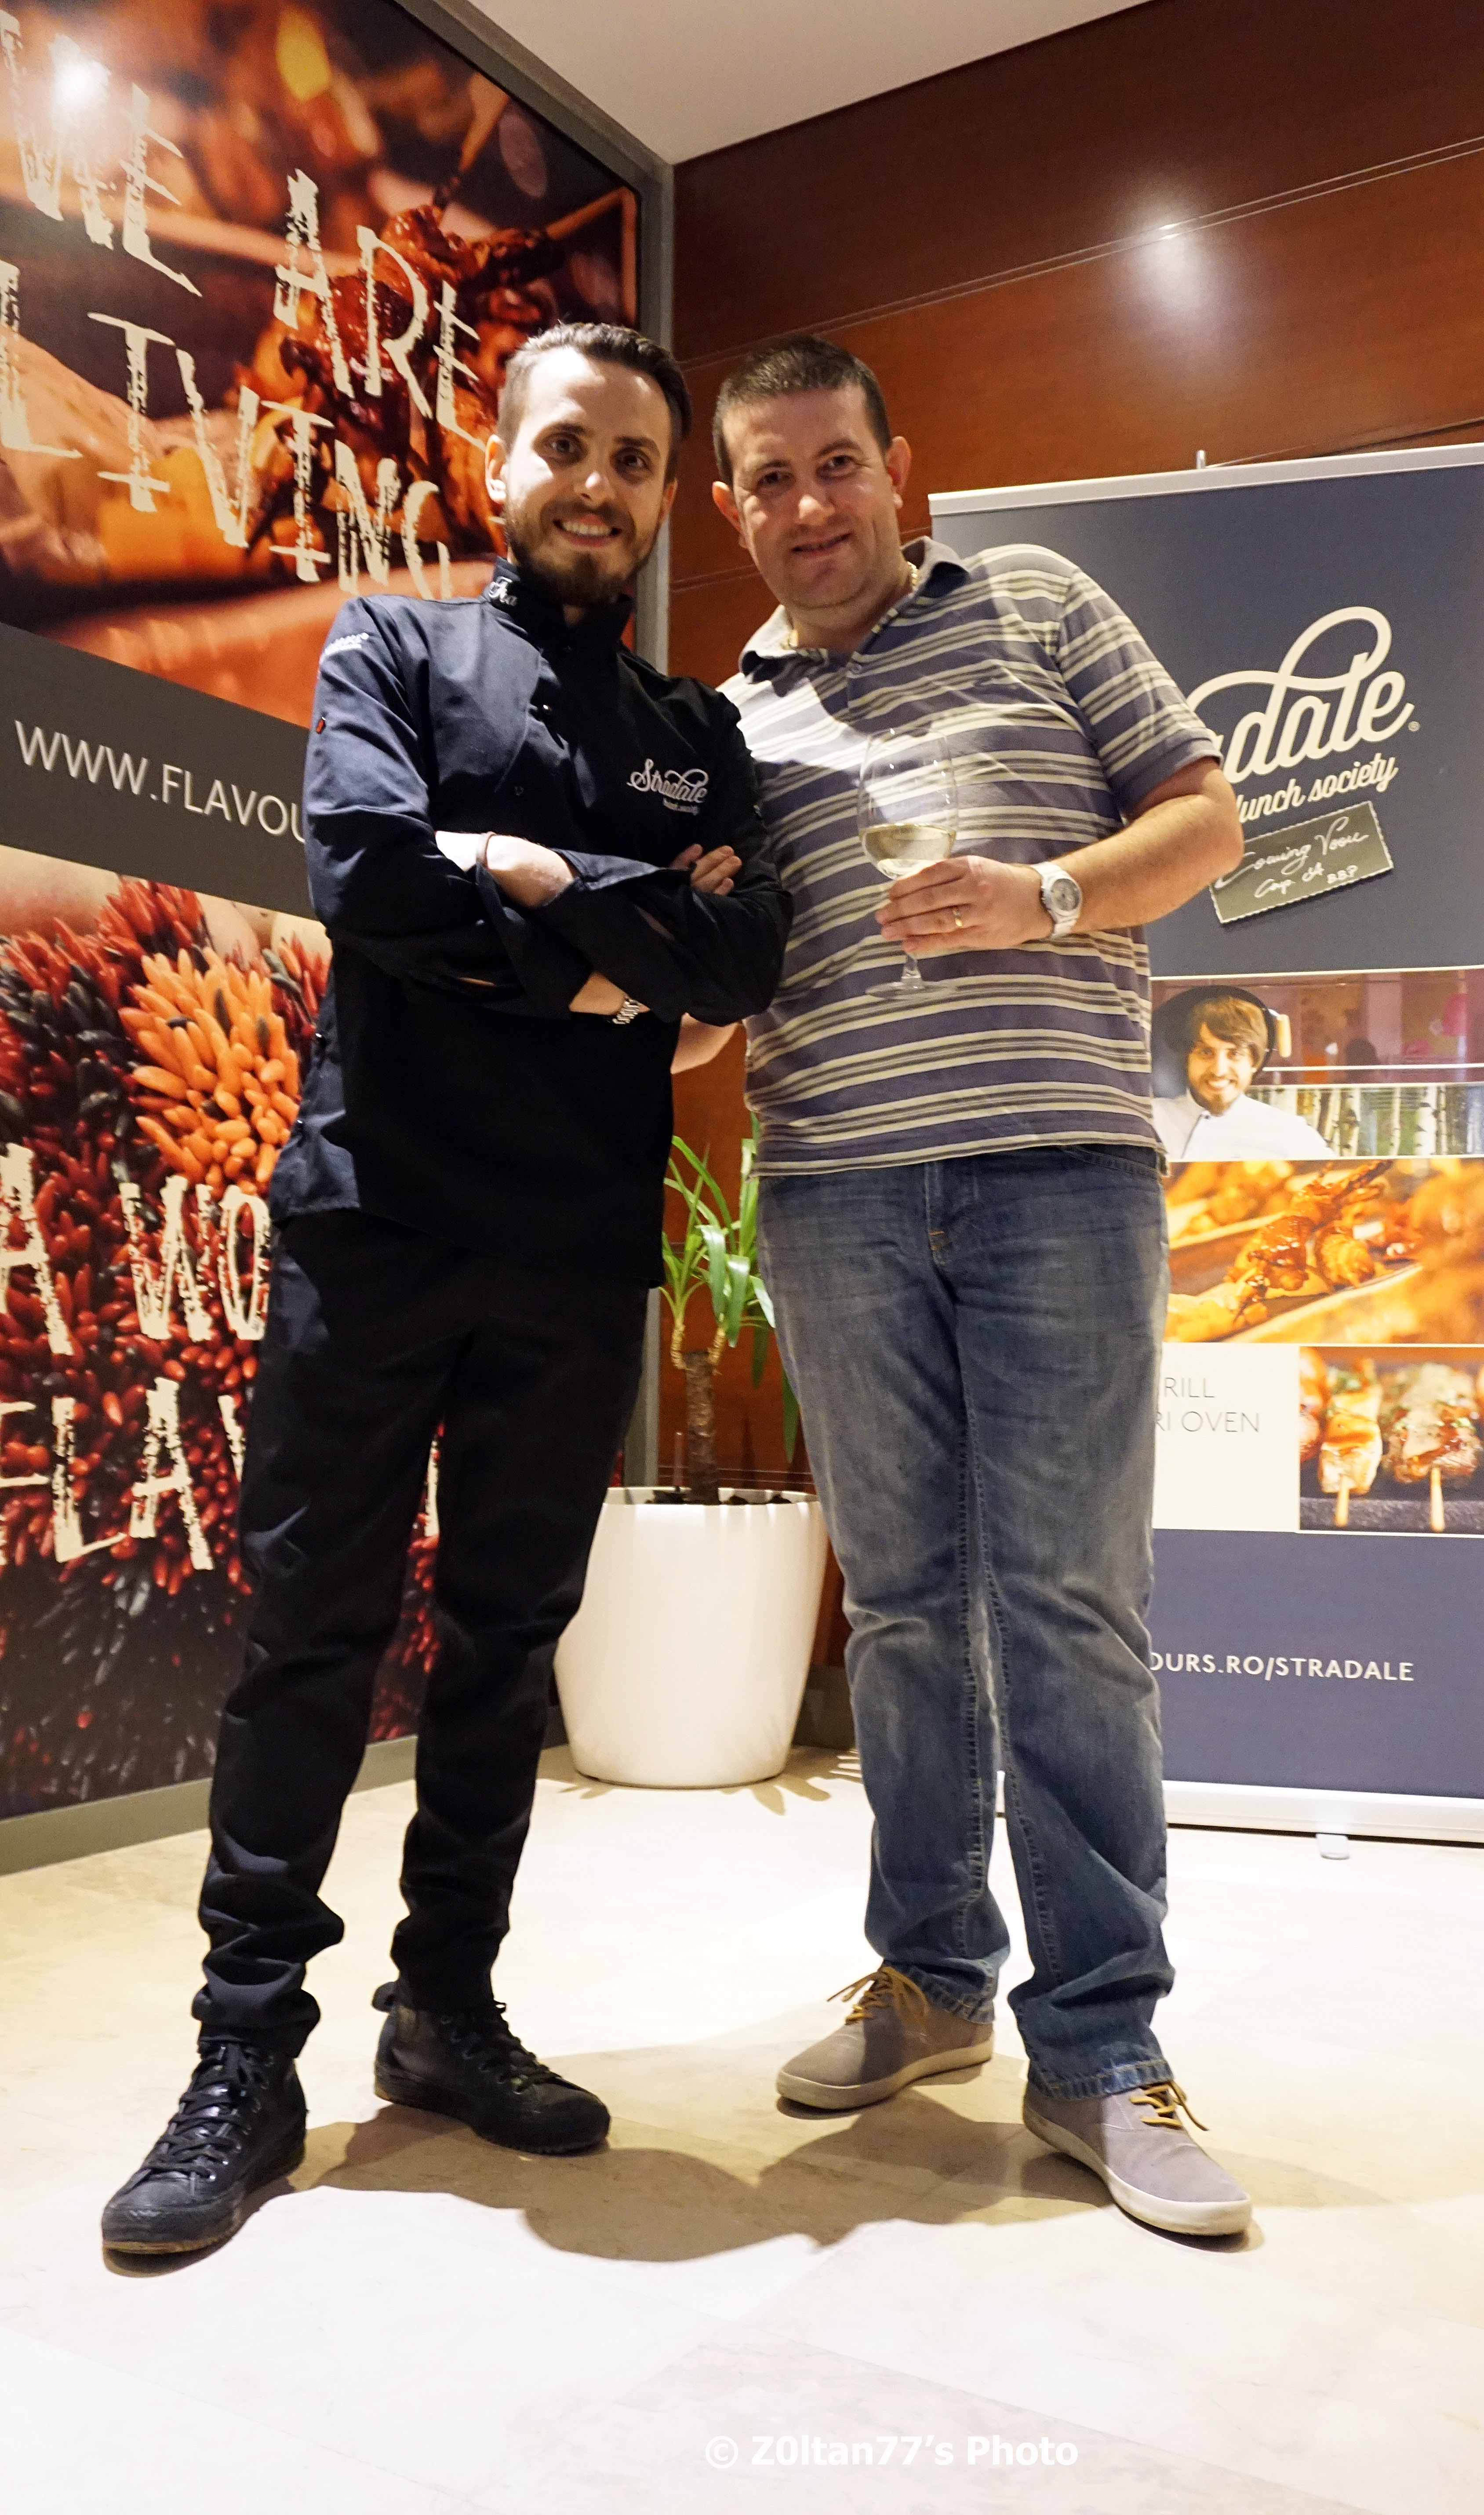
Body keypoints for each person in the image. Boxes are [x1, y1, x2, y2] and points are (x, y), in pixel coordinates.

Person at [101, 323, 789, 2256]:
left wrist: (528, 882)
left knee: (504, 1646)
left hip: (573, 1246)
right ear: (499, 466)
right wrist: (618, 946)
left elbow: (739, 962)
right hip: (376, 1219)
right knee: (309, 1636)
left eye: (633, 459)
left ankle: (446, 2007)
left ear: (663, 497)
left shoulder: (696, 730)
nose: (596, 484)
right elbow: (368, 879)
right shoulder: (390, 651)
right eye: (564, 444)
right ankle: (244, 2056)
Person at [711, 334, 1253, 2239]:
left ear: (895, 468)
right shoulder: (728, 717)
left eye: (832, 464)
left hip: (1059, 1178)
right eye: (766, 479)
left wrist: (1042, 897)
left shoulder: (1033, 601)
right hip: (832, 1197)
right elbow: (711, 996)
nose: (807, 506)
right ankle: (930, 1974)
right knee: (901, 1614)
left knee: (1070, 1612)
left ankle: (1099, 2045)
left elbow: (1206, 819)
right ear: (731, 508)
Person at [1152, 987, 1331, 1158]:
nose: (1219, 1070)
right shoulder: (1149, 1120)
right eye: (1206, 1053)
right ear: (1187, 1060)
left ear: (1255, 1062)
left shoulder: (1292, 1134)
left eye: (1235, 1054)